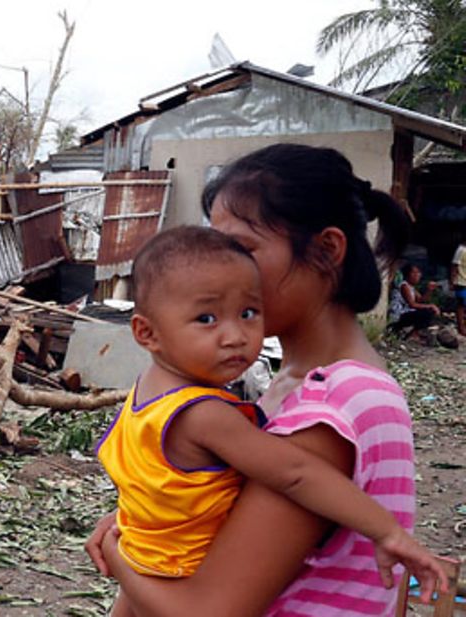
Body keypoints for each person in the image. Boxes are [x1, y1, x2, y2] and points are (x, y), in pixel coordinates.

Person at [86, 144, 445, 616]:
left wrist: (117, 552)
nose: (218, 265)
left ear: (326, 249)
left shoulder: (332, 406)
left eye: (240, 248)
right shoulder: (293, 385)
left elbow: (212, 610)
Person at [387, 264, 439, 340]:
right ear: (407, 275)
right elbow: (412, 304)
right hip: (398, 316)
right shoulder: (404, 286)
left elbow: (421, 300)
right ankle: (412, 334)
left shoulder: (411, 287)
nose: (417, 275)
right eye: (414, 273)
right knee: (427, 313)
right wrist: (431, 306)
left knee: (428, 311)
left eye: (418, 273)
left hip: (406, 313)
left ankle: (412, 333)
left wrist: (429, 290)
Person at [453, 241, 466, 337]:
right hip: (461, 281)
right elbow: (454, 266)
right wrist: (452, 280)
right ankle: (461, 327)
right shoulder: (461, 250)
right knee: (461, 305)